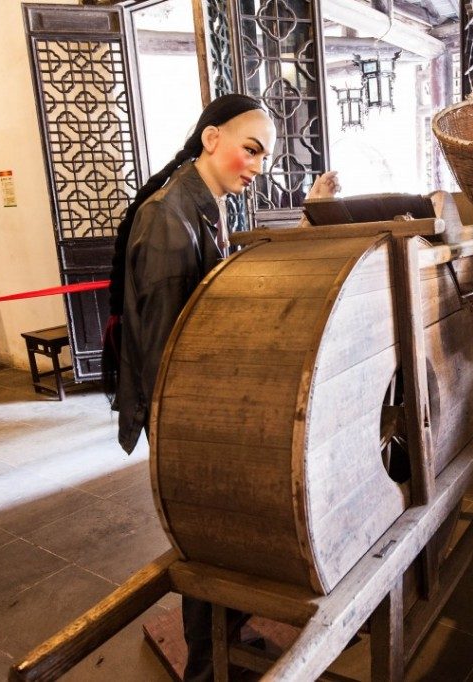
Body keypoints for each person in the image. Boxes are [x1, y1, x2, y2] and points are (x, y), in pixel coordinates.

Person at [104, 93, 339, 680]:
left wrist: (310, 217)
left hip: (203, 404)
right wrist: (192, 426)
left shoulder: (208, 203)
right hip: (182, 412)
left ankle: (228, 639)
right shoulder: (167, 216)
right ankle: (207, 667)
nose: (257, 165)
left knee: (230, 532)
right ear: (211, 138)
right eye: (250, 149)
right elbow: (163, 347)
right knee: (207, 537)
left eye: (265, 156)